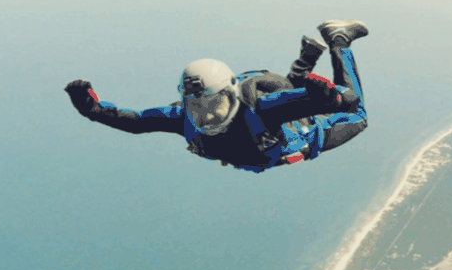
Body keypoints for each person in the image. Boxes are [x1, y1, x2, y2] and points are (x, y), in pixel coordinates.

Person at [63, 21, 370, 173]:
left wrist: (328, 98)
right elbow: (134, 122)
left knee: (358, 114)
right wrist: (90, 108)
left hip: (293, 130)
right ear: (186, 102)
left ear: (232, 94)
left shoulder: (262, 110)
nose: (206, 116)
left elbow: (346, 103)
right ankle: (304, 62)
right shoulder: (184, 116)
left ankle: (338, 39)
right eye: (196, 106)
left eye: (213, 104)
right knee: (289, 98)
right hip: (270, 118)